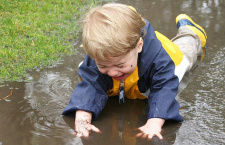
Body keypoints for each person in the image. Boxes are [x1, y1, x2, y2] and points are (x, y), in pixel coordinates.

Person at [62, 3, 207, 140]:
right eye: (104, 66)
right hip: (139, 50)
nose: (112, 72)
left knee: (188, 50)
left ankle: (191, 31)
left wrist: (154, 122)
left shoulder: (160, 63)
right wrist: (83, 118)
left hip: (173, 56)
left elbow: (164, 89)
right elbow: (90, 85)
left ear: (139, 46)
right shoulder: (102, 55)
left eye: (120, 65)